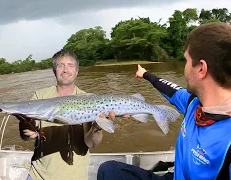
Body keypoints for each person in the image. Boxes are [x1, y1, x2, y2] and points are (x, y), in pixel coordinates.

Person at [97, 22, 231, 180]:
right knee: (109, 170)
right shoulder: (192, 102)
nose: (185, 69)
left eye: (186, 61)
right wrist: (145, 74)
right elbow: (170, 88)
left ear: (201, 68)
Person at [17, 49, 119, 180]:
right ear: (54, 71)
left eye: (70, 65)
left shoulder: (90, 99)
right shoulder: (39, 96)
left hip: (76, 176)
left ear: (76, 71)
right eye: (60, 65)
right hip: (38, 175)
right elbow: (26, 137)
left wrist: (97, 126)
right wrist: (25, 128)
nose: (65, 70)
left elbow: (91, 143)